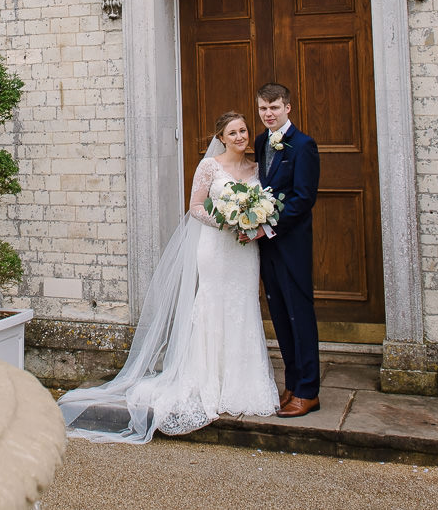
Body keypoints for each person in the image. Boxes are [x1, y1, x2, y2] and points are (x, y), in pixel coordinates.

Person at [58, 111, 279, 443]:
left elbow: (266, 208)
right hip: (216, 248)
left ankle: (241, 384)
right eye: (232, 132)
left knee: (243, 306)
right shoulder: (209, 167)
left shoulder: (256, 169)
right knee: (212, 306)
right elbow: (196, 207)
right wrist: (227, 221)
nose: (240, 136)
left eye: (244, 131)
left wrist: (252, 226)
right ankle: (208, 382)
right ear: (220, 137)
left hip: (245, 252)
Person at [252, 82, 322, 417]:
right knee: (279, 313)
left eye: (274, 108)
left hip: (291, 242)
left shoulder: (303, 145)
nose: (268, 114)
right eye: (264, 109)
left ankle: (309, 390)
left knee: (300, 313)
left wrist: (266, 224)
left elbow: (303, 199)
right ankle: (292, 383)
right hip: (268, 246)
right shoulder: (261, 141)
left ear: (287, 107)